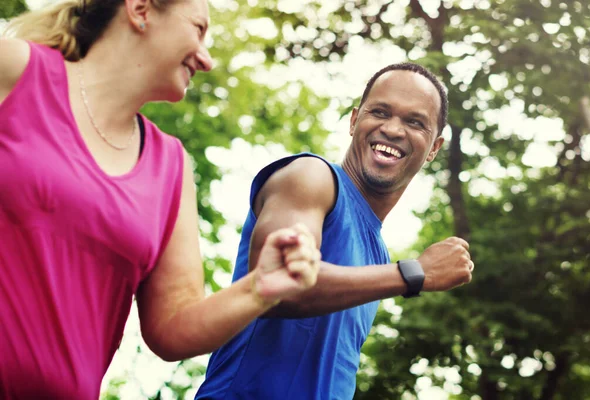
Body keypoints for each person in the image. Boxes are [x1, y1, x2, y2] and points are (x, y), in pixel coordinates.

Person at [0, 0, 321, 398]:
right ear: (140, 10)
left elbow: (172, 329)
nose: (206, 61)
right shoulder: (15, 70)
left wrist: (258, 289)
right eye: (198, 30)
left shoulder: (170, 166)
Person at [194, 63, 475, 400]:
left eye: (414, 122)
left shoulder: (377, 254)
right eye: (380, 112)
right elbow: (275, 284)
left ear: (433, 148)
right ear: (355, 120)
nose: (393, 129)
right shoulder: (311, 177)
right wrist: (414, 273)